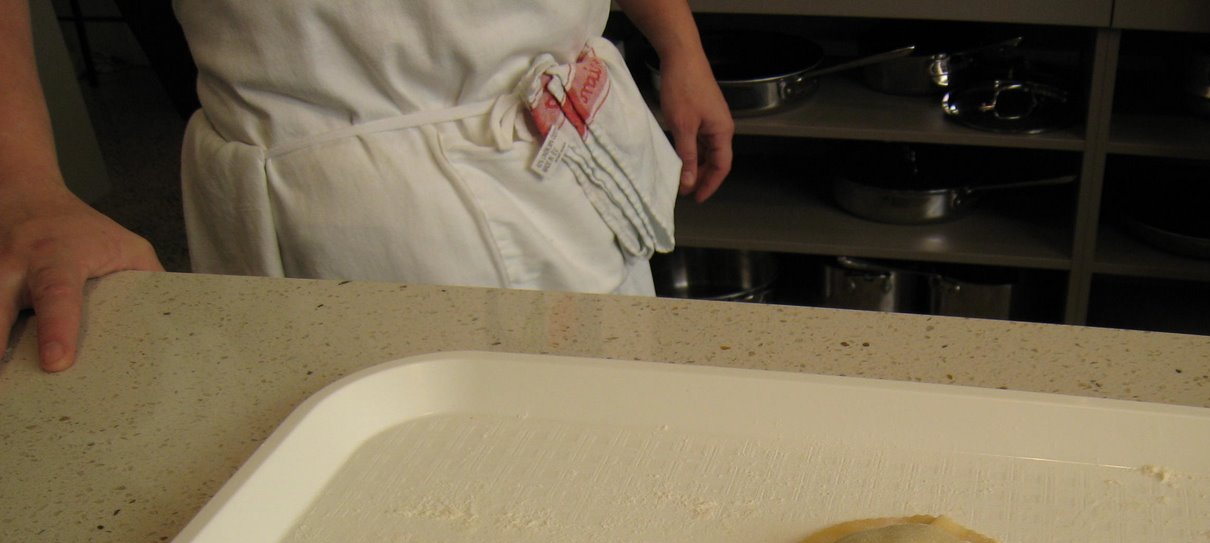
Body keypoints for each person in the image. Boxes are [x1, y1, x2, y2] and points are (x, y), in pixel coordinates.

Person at [0, 0, 733, 373]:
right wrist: (25, 185)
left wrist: (679, 41)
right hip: (364, 209)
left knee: (612, 429)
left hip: (579, 135)